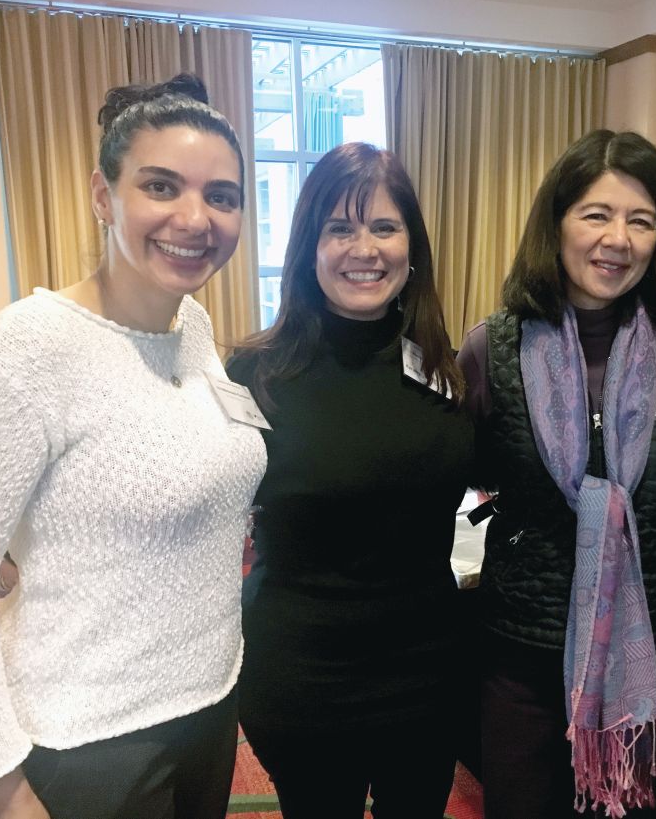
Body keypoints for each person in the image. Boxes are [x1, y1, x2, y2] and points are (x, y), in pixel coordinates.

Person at [0, 74, 267, 819]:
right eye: (161, 185)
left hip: (206, 706)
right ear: (103, 196)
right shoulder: (21, 352)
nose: (195, 217)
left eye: (222, 196)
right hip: (84, 740)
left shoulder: (193, 328)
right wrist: (2, 788)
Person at [457, 129, 656, 818]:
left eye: (642, 219)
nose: (617, 238)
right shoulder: (494, 346)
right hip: (523, 654)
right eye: (596, 214)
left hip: (648, 650)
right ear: (557, 223)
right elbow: (460, 471)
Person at [228, 142, 473, 819]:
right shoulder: (256, 374)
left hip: (428, 678)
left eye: (384, 227)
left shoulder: (449, 373)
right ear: (310, 245)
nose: (363, 247)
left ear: (412, 246)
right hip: (303, 678)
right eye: (340, 227)